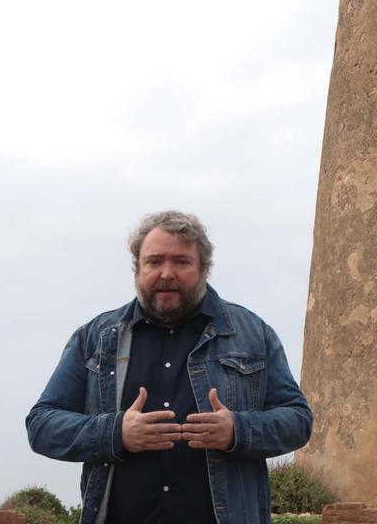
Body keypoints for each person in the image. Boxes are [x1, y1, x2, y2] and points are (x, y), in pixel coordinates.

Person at [27, 210, 313, 524]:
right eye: (154, 261)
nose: (167, 273)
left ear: (204, 269)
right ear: (137, 268)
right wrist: (115, 432)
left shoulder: (253, 334)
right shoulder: (94, 338)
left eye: (181, 262)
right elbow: (42, 426)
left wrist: (237, 430)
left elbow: (298, 421)